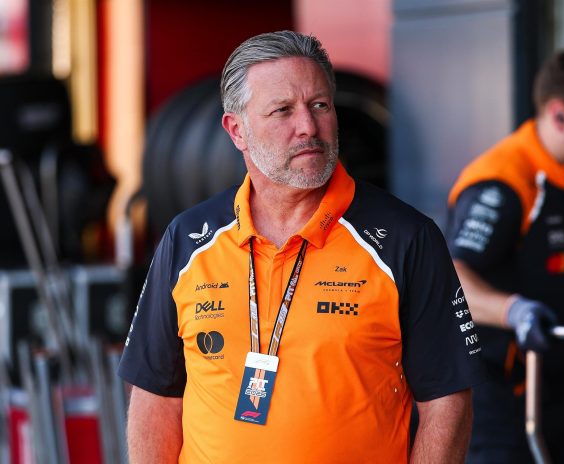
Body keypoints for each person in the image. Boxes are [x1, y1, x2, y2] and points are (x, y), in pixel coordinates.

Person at [118, 30, 485, 463]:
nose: (308, 127)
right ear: (237, 130)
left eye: (320, 105)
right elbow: (156, 396)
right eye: (283, 110)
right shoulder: (187, 238)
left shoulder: (406, 239)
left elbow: (447, 401)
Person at [445, 41, 564, 463]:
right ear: (559, 114)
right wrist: (513, 311)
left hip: (557, 391)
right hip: (494, 399)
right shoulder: (503, 182)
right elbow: (451, 278)